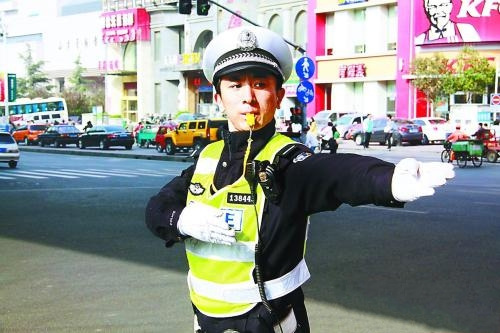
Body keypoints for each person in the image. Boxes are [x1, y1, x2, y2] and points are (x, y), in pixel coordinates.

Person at [145, 26, 454, 333]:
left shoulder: (289, 161)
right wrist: (182, 220)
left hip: (267, 321)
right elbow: (157, 208)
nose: (248, 98)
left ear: (279, 95)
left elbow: (335, 174)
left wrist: (388, 180)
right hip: (204, 320)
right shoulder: (207, 156)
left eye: (260, 84)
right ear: (218, 95)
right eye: (235, 85)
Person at [415, 0, 480, 45]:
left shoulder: (466, 30)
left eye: (442, 5)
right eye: (433, 7)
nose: (438, 11)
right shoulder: (419, 40)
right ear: (427, 9)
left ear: (450, 6)